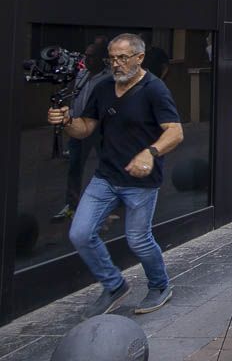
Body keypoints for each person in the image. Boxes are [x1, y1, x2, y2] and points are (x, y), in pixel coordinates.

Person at [47, 34, 184, 318]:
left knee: (138, 239)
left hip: (141, 181)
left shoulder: (154, 89)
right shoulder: (104, 87)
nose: (117, 64)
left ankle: (160, 286)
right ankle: (114, 285)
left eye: (123, 58)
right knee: (81, 233)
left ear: (139, 58)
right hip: (106, 176)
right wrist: (68, 121)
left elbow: (175, 131)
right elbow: (86, 128)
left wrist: (150, 153)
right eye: (112, 58)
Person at [52, 38, 112, 223]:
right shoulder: (82, 75)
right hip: (79, 126)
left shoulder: (108, 77)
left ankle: (113, 200)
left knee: (108, 164)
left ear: (102, 58)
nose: (88, 59)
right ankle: (72, 204)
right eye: (86, 55)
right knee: (75, 167)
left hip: (100, 128)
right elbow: (74, 97)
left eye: (92, 56)